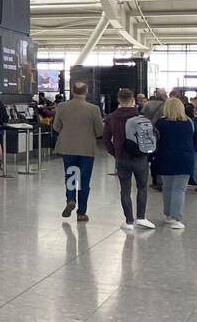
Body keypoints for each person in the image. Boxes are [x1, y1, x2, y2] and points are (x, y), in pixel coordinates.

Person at [103, 87, 154, 232]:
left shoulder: (111, 117)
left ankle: (129, 221)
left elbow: (106, 140)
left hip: (122, 158)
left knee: (125, 190)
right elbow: (153, 135)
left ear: (119, 100)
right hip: (140, 158)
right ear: (133, 100)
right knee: (142, 187)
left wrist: (115, 152)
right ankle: (142, 217)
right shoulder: (141, 116)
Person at [52, 80, 104, 223]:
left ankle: (70, 199)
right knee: (84, 181)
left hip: (68, 147)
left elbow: (56, 127)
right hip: (86, 149)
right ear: (86, 92)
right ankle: (81, 213)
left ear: (73, 91)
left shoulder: (62, 107)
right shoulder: (93, 109)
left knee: (71, 176)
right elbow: (100, 131)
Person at [153, 97, 193, 230]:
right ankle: (176, 218)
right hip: (184, 158)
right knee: (179, 189)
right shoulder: (189, 122)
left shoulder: (160, 123)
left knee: (167, 188)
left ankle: (168, 215)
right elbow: (196, 140)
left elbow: (155, 140)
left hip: (165, 158)